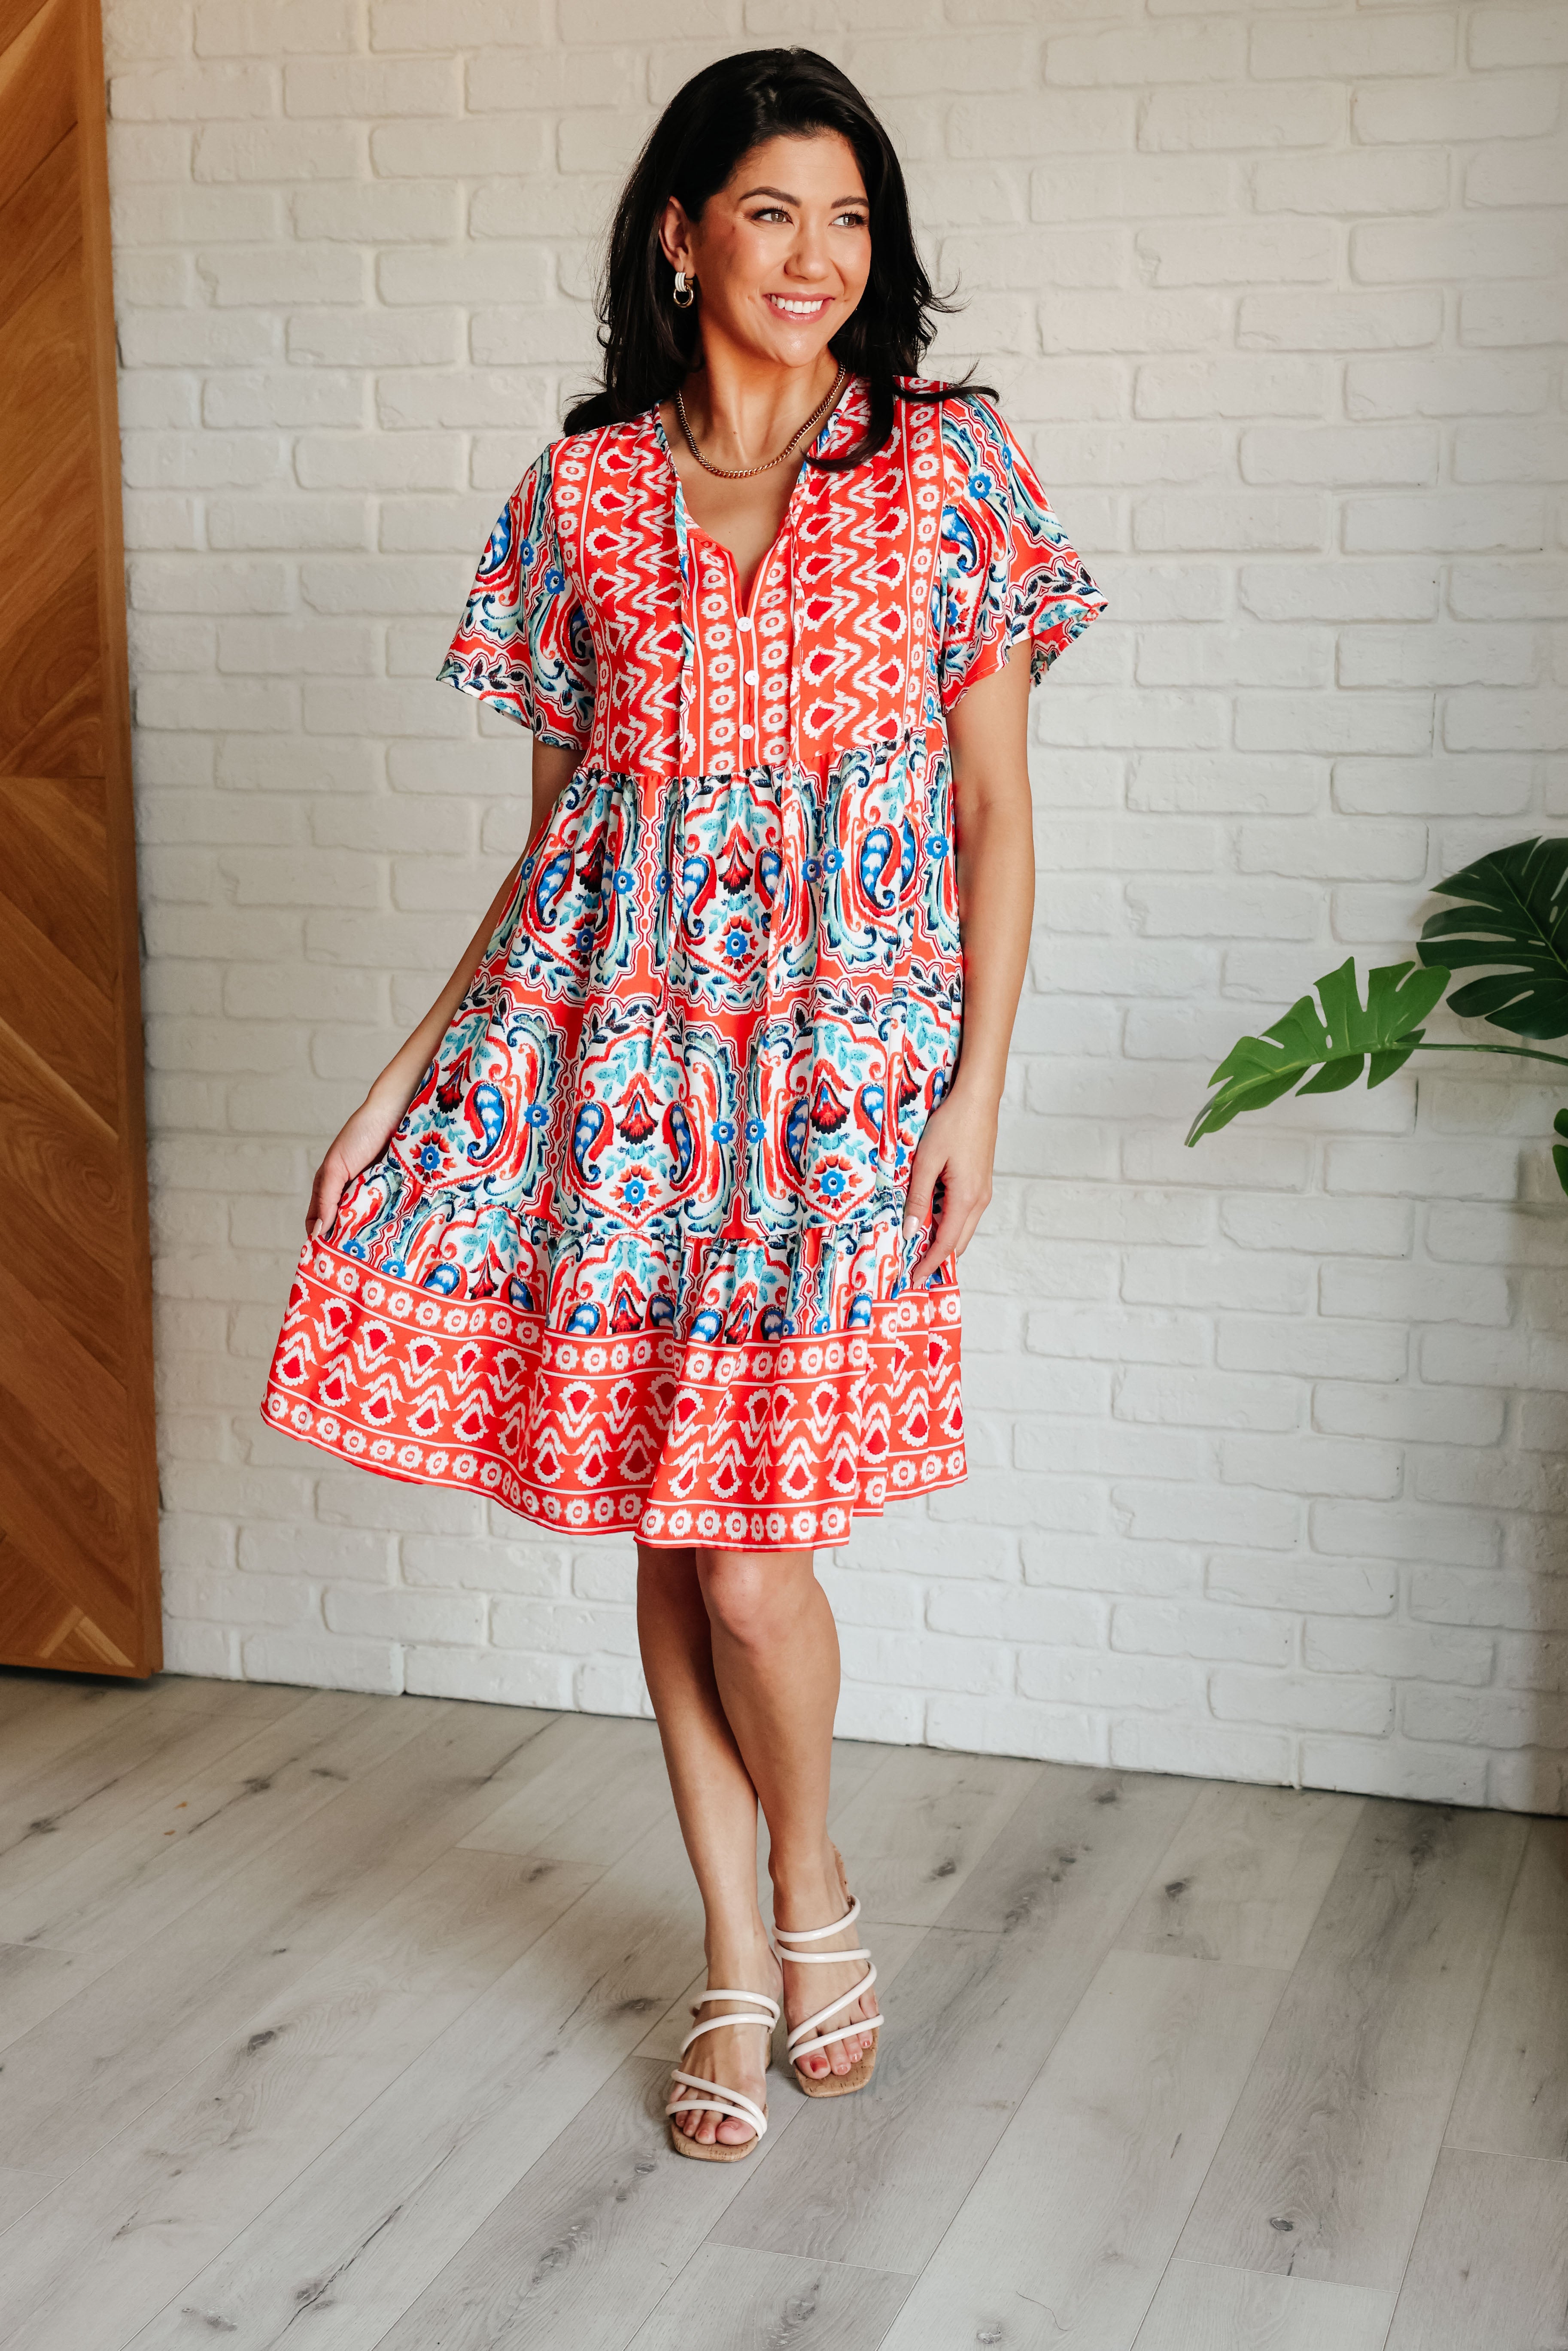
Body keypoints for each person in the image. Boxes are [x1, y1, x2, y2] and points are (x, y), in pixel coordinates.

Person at [261, 47, 1104, 2163]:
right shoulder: (582, 495)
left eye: (848, 219)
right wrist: (402, 1072)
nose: (816, 258)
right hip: (610, 1073)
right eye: (769, 213)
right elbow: (559, 844)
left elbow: (998, 815)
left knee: (748, 1562)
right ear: (679, 233)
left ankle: (810, 1879)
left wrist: (975, 1096)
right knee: (673, 1512)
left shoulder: (950, 469)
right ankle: (741, 1949)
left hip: (839, 1083)